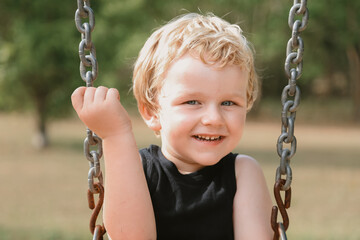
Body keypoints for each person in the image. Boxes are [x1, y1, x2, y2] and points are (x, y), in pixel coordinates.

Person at [71, 13, 273, 240]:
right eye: (192, 102)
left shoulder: (243, 173)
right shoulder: (138, 169)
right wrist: (116, 135)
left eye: (229, 103)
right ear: (151, 111)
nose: (214, 118)